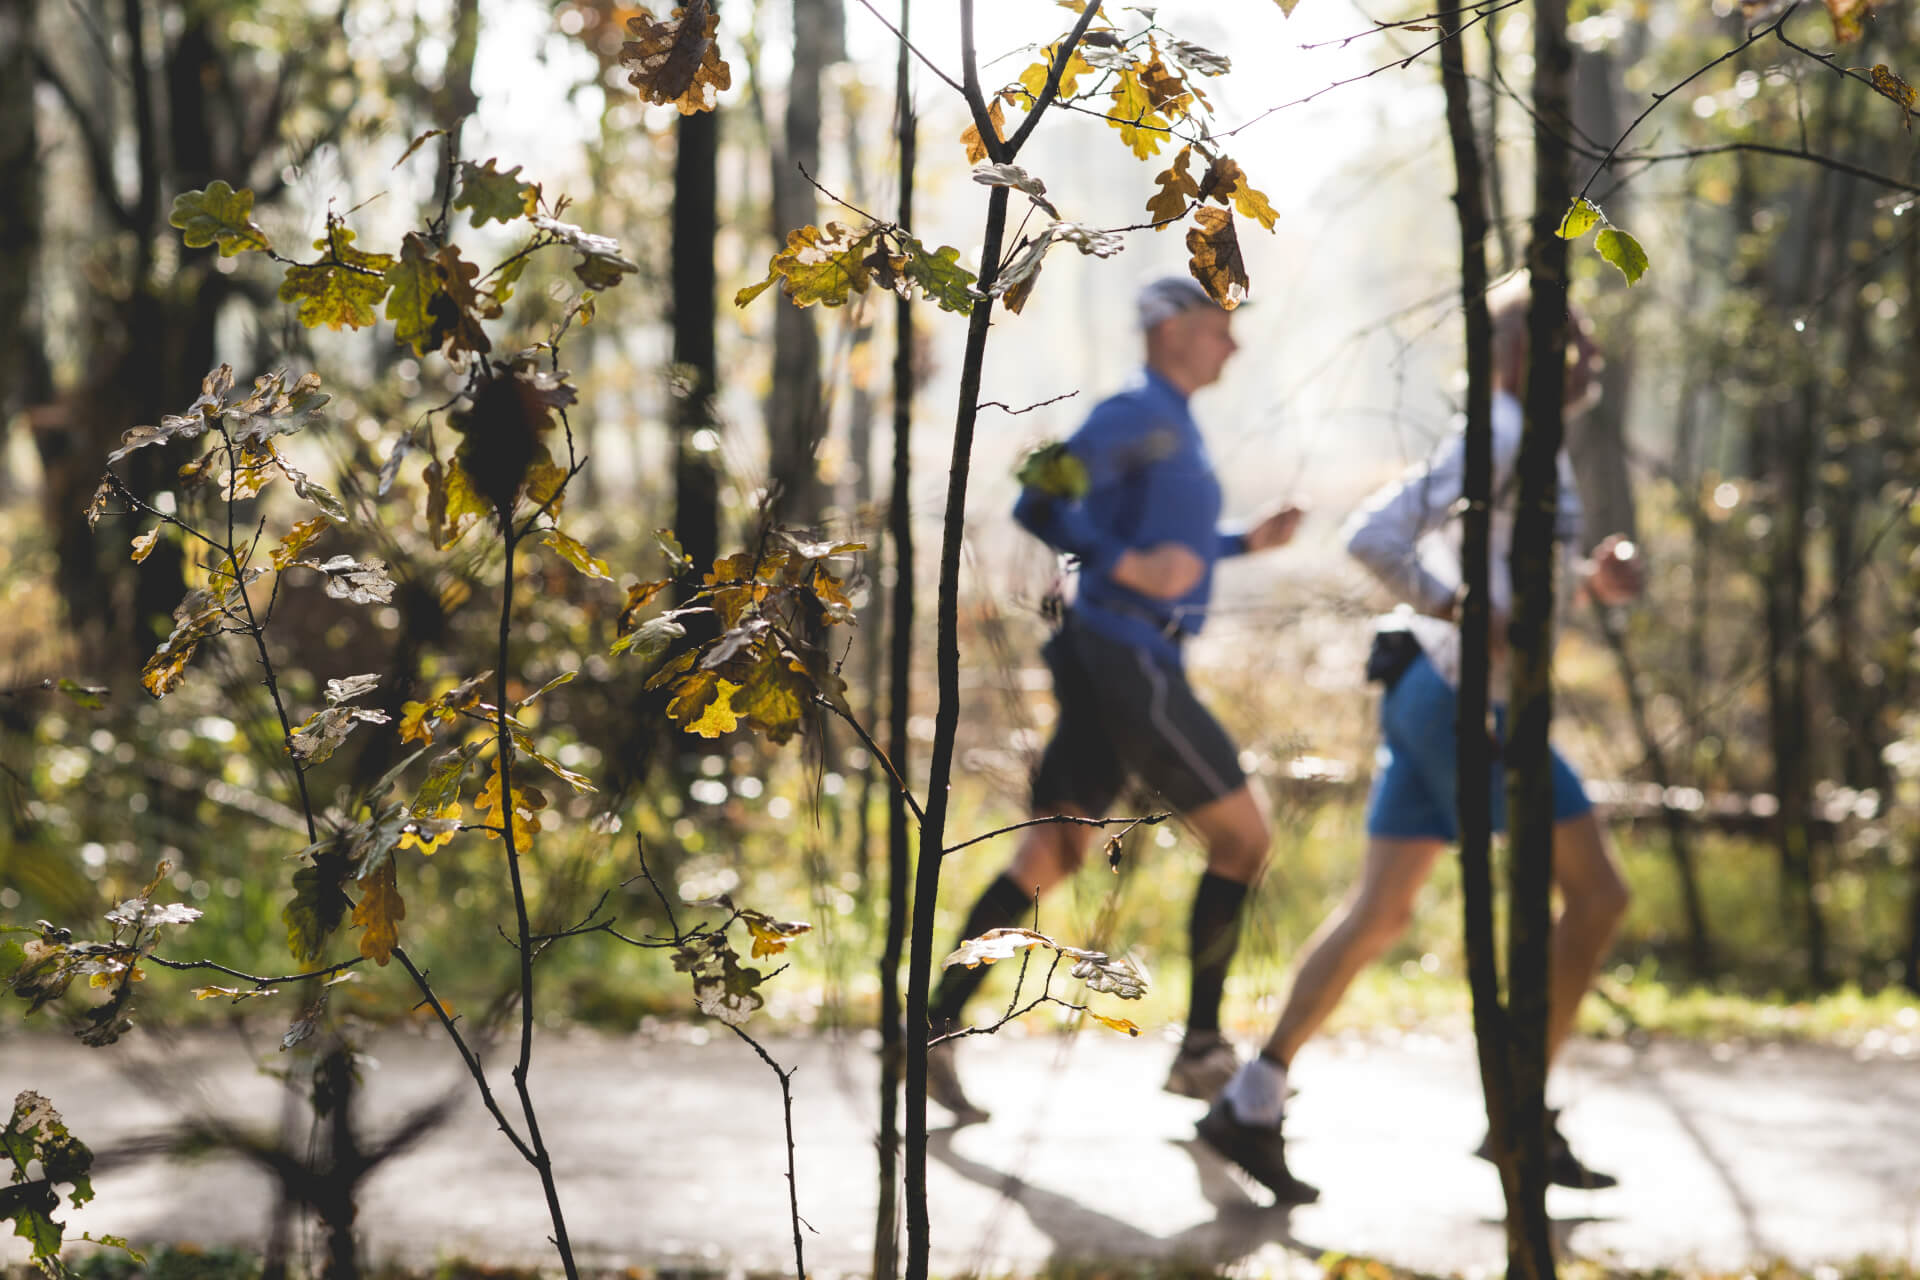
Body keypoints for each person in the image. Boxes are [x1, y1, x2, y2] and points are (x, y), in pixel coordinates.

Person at [1195, 280, 1641, 1204]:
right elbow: (1374, 535)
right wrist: (1458, 613)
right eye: (1577, 342)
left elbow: (1505, 577)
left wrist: (1588, 585)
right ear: (1524, 354)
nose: (1593, 358)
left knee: (1381, 913)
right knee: (1597, 895)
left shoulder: (1526, 444)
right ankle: (1520, 1109)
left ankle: (1248, 1102)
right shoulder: (1504, 437)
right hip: (1459, 699)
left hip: (1431, 690)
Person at [924, 275, 1302, 1123]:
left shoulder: (1172, 424)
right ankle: (1202, 1050)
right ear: (1171, 329)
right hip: (1131, 659)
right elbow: (1036, 492)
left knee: (1050, 857)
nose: (1232, 347)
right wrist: (1122, 567)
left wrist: (1243, 542)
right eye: (1218, 330)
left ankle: (928, 1031)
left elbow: (1166, 544)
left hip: (1111, 660)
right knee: (1245, 840)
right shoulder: (1135, 413)